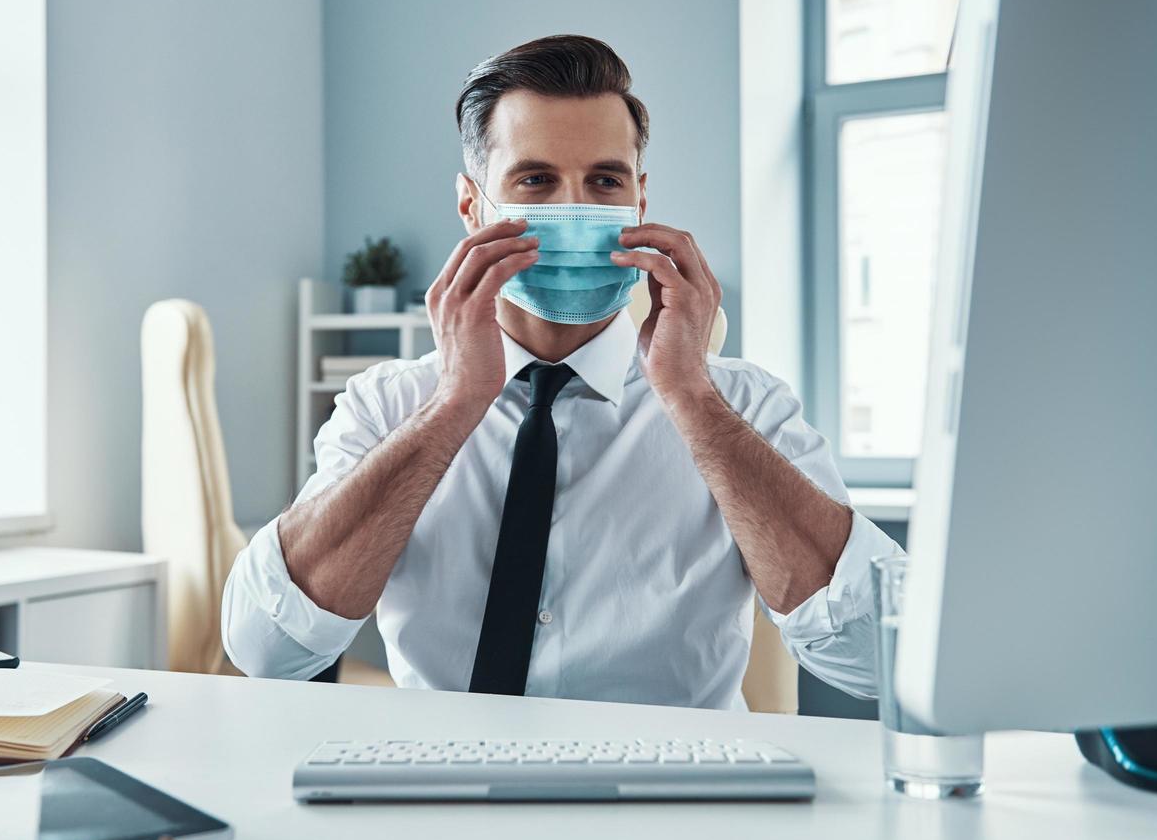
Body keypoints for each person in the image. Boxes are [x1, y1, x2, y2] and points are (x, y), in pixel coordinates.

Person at [221, 35, 900, 708]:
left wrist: (692, 397)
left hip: (673, 799)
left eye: (604, 181)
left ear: (638, 203)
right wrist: (454, 403)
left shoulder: (746, 404)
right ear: (471, 206)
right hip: (442, 789)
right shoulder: (385, 406)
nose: (573, 208)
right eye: (535, 180)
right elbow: (267, 650)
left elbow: (877, 659)